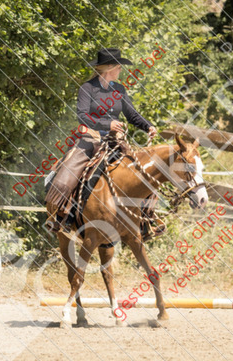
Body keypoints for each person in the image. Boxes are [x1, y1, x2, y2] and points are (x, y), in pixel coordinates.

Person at [45, 48, 157, 232]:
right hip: (91, 140)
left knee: (142, 172)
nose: (121, 70)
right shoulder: (87, 88)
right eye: (119, 67)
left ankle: (146, 220)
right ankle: (62, 214)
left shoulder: (119, 89)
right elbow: (82, 116)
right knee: (69, 172)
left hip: (116, 142)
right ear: (109, 68)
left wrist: (148, 126)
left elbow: (132, 114)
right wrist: (107, 124)